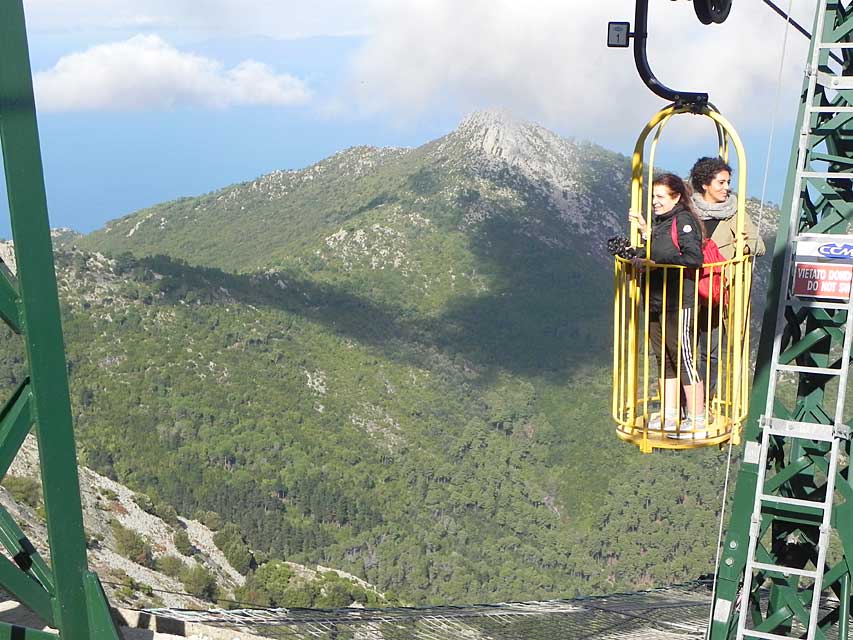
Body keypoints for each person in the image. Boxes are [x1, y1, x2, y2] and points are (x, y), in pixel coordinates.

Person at [629, 173, 707, 437]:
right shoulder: (661, 223)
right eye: (653, 196)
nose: (654, 202)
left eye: (660, 197)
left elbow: (693, 258)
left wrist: (658, 262)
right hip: (656, 299)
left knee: (682, 356)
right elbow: (658, 249)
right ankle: (670, 413)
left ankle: (696, 417)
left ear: (676, 197)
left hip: (678, 300)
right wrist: (643, 246)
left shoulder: (684, 221)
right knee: (664, 357)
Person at [689, 157, 765, 395]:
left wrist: (740, 246)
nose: (726, 188)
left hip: (715, 291)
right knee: (683, 348)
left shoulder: (735, 213)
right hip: (687, 287)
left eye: (728, 182)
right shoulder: (687, 212)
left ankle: (704, 401)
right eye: (720, 182)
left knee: (709, 352)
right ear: (705, 184)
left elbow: (758, 245)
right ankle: (683, 401)